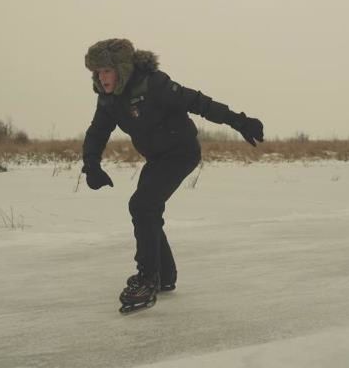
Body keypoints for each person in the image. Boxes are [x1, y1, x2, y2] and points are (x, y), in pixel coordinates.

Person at [81, 38, 264, 312]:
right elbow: (97, 132)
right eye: (97, 72)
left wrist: (238, 120)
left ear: (121, 68)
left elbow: (198, 102)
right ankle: (164, 276)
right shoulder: (109, 99)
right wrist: (92, 165)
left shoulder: (153, 84)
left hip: (181, 152)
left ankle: (147, 278)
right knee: (147, 210)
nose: (101, 77)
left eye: (106, 70)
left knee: (142, 206)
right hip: (156, 157)